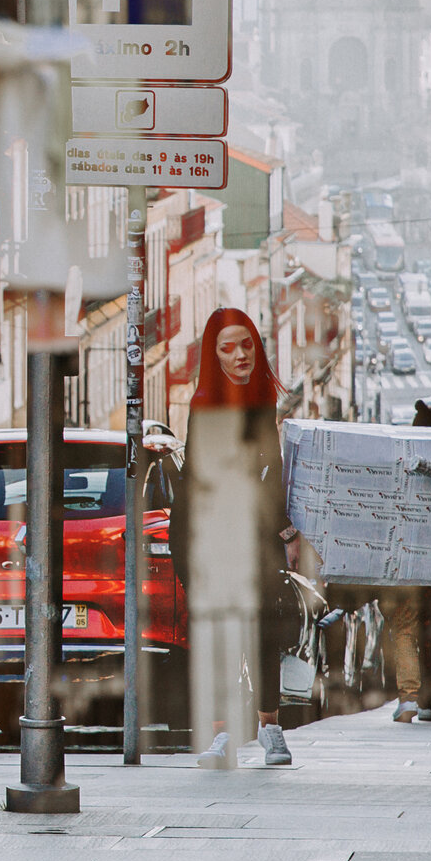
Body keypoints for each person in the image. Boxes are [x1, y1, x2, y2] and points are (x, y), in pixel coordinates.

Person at [182, 307, 302, 766]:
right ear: (214, 355)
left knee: (263, 631)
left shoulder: (262, 401)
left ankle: (270, 727)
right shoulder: (203, 403)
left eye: (246, 343)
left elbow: (271, 472)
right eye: (227, 347)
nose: (239, 355)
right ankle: (221, 735)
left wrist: (284, 530)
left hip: (255, 535)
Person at [388, 401, 431, 723]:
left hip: (406, 562)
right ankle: (428, 699)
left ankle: (409, 698)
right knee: (430, 630)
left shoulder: (400, 457)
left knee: (403, 626)